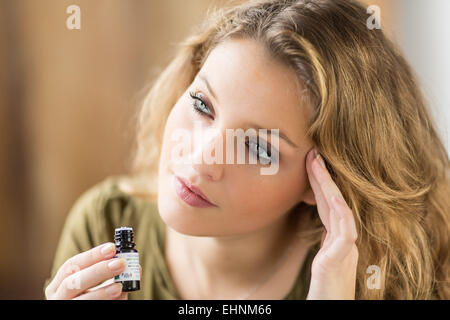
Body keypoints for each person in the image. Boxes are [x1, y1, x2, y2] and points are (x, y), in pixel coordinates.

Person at [44, 0, 449, 300]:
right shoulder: (107, 223)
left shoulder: (376, 281)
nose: (202, 159)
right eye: (202, 104)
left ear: (325, 182)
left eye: (257, 148)